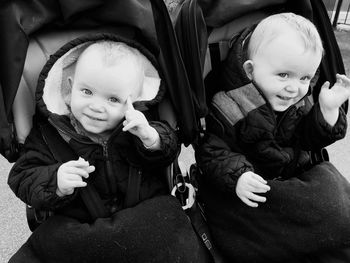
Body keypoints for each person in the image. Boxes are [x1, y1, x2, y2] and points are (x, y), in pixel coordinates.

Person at [8, 39, 209, 263]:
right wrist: (56, 181)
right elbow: (21, 176)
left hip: (144, 217)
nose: (96, 106)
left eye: (113, 99)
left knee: (168, 222)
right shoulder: (49, 135)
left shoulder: (140, 125)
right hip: (79, 225)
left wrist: (151, 138)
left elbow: (169, 149)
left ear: (132, 101)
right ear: (69, 88)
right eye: (86, 91)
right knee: (50, 241)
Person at [196, 12, 350, 262]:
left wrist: (328, 110)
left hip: (294, 178)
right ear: (249, 70)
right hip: (252, 185)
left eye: (305, 78)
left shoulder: (301, 100)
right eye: (283, 75)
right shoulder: (229, 106)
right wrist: (238, 176)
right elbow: (212, 151)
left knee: (334, 192)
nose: (294, 87)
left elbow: (310, 141)